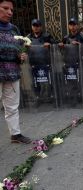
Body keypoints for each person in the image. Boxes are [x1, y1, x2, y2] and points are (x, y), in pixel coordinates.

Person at [0, 0, 31, 143]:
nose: (9, 12)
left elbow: (19, 50)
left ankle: (15, 134)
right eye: (5, 8)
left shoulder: (14, 29)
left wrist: (21, 57)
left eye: (11, 9)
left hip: (12, 73)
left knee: (12, 106)